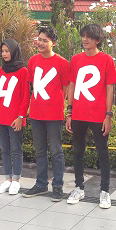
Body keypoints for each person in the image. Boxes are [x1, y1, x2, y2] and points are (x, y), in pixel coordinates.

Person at [65, 24, 116, 209]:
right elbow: (71, 85)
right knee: (78, 152)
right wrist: (69, 112)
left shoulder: (106, 60)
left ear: (97, 39)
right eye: (83, 36)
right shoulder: (76, 59)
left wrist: (108, 115)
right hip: (78, 113)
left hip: (98, 115)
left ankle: (104, 191)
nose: (85, 39)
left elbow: (110, 87)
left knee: (102, 153)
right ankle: (79, 187)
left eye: (89, 36)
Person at [24, 26, 70, 201]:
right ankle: (41, 184)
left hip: (54, 114)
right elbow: (31, 86)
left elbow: (66, 88)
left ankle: (57, 186)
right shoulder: (33, 61)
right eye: (39, 39)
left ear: (54, 43)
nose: (40, 43)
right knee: (40, 151)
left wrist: (65, 110)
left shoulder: (62, 63)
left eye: (45, 40)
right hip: (36, 113)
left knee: (56, 151)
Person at [0, 39, 29, 196]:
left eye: (7, 51)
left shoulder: (23, 71)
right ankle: (7, 178)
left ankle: (16, 180)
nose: (4, 54)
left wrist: (20, 117)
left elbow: (25, 96)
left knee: (16, 149)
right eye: (3, 51)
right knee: (4, 149)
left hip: (14, 118)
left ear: (14, 52)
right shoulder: (1, 70)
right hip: (0, 116)